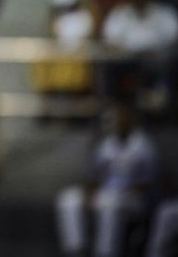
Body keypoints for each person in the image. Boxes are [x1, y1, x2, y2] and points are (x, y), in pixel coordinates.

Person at [56, 101, 159, 257]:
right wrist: (89, 193)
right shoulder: (107, 144)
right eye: (111, 120)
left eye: (117, 119)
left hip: (134, 198)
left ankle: (106, 252)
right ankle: (76, 248)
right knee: (67, 198)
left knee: (110, 203)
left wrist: (124, 191)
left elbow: (150, 181)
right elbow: (94, 175)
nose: (113, 124)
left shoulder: (143, 145)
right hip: (106, 192)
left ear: (129, 121)